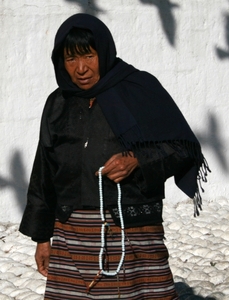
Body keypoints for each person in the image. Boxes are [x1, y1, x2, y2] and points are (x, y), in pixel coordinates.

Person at [19, 13, 210, 300]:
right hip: (72, 235)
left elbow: (182, 147)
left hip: (131, 232)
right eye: (71, 59)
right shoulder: (58, 103)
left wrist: (138, 160)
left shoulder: (138, 89)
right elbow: (44, 171)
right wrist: (42, 238)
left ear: (104, 52)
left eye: (88, 56)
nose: (81, 68)